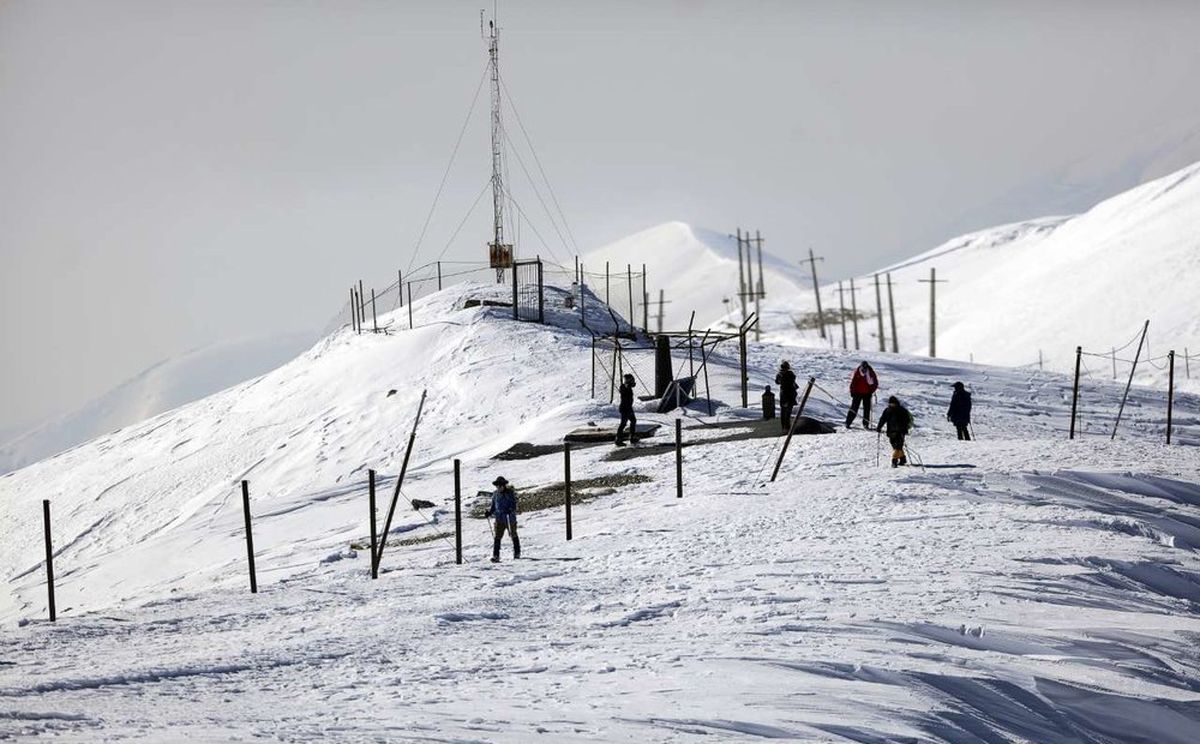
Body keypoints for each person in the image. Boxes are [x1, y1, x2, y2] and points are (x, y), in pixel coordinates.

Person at [486, 476, 520, 562]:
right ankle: (496, 555)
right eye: (497, 486)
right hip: (499, 518)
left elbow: (514, 504)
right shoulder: (495, 494)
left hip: (509, 518)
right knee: (497, 537)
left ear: (504, 485)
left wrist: (511, 509)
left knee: (513, 534)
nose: (499, 487)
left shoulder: (510, 493)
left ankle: (517, 553)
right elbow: (493, 506)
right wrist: (489, 513)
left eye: (500, 486)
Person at [876, 395, 912, 468]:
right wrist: (879, 427)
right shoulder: (887, 410)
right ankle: (902, 458)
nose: (892, 404)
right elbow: (883, 419)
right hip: (891, 431)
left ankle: (894, 461)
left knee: (898, 446)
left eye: (893, 403)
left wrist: (903, 428)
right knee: (894, 446)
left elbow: (907, 420)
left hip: (900, 431)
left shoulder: (902, 410)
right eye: (890, 403)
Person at [845, 361, 879, 429]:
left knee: (867, 409)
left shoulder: (871, 373)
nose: (864, 370)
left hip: (867, 393)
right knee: (854, 408)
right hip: (857, 393)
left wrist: (871, 391)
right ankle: (848, 422)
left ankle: (865, 424)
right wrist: (852, 391)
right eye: (863, 368)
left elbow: (875, 383)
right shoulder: (857, 372)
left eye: (865, 368)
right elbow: (853, 383)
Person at [774, 361, 799, 433]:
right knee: (787, 413)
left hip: (783, 394)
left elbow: (777, 382)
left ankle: (784, 428)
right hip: (789, 394)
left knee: (783, 412)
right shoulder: (790, 374)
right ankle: (787, 428)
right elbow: (792, 380)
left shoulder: (780, 374)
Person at [615, 373, 637, 446]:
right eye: (631, 380)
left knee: (633, 421)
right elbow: (625, 396)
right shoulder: (624, 387)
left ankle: (632, 437)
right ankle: (618, 439)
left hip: (628, 407)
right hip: (625, 408)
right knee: (623, 423)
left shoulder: (627, 387)